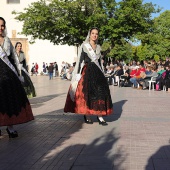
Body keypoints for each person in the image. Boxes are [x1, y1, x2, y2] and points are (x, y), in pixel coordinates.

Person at [64, 27, 113, 125]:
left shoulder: (98, 47)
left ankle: (100, 116)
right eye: (93, 33)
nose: (95, 35)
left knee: (100, 93)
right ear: (89, 35)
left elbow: (100, 63)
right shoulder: (84, 46)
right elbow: (79, 60)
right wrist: (77, 74)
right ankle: (87, 114)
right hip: (87, 72)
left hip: (98, 73)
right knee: (87, 94)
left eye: (96, 34)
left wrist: (103, 73)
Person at [0, 17, 34, 138]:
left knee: (9, 101)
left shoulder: (7, 41)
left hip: (9, 76)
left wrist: (18, 74)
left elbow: (13, 59)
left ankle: (10, 127)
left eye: (2, 25)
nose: (1, 27)